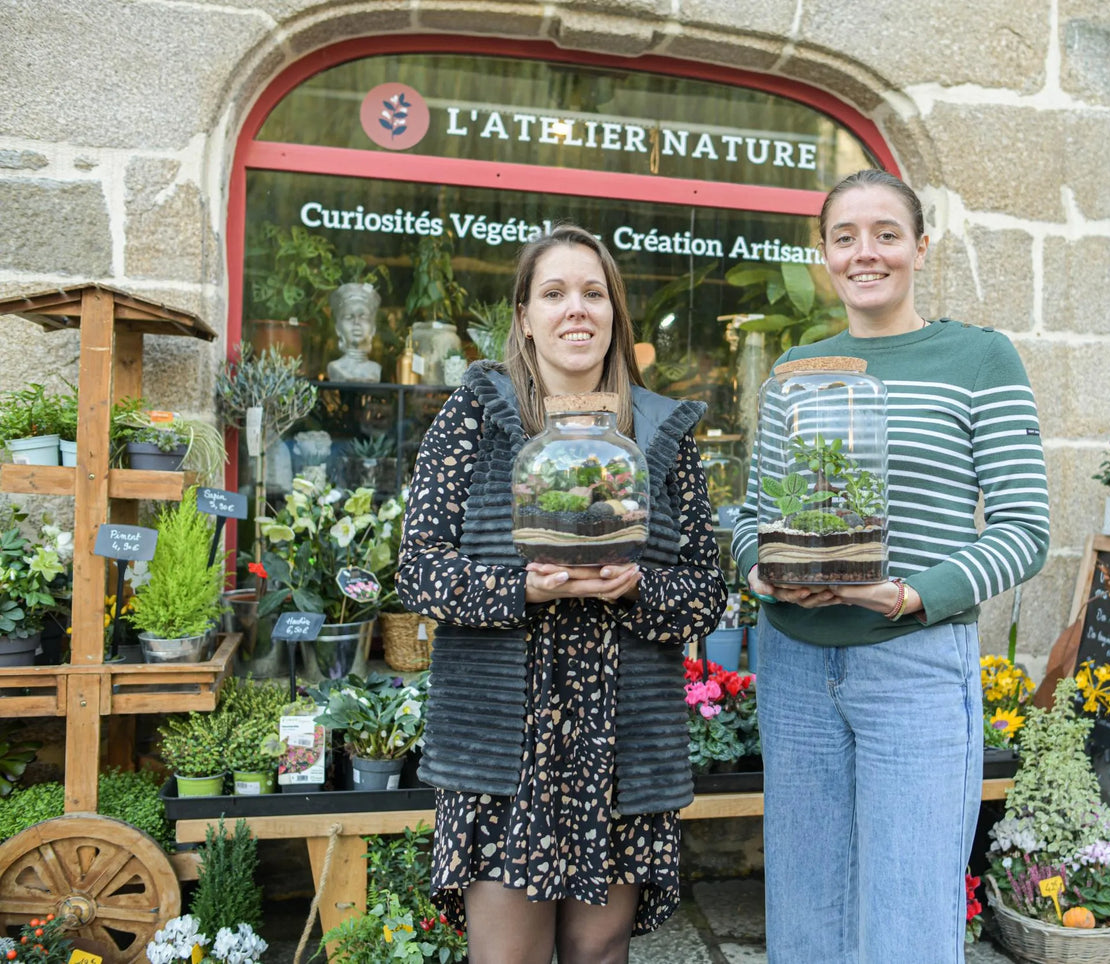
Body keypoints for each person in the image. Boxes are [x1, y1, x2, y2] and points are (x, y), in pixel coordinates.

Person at [731, 169, 1051, 963]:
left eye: (884, 234)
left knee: (908, 907)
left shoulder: (977, 358)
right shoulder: (796, 371)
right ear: (824, 254)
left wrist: (913, 595)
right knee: (805, 904)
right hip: (795, 663)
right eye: (844, 237)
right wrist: (760, 574)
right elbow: (749, 517)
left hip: (912, 664)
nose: (863, 253)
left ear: (919, 245)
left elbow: (1023, 529)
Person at [395, 225, 726, 964]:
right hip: (503, 745)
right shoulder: (477, 416)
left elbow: (706, 591)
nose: (575, 310)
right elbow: (418, 569)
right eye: (553, 293)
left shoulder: (662, 430)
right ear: (524, 316)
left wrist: (639, 587)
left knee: (598, 953)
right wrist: (521, 589)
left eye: (592, 292)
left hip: (621, 742)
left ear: (614, 313)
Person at [326, 281, 383, 382]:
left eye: (363, 316)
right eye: (349, 317)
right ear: (338, 329)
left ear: (373, 328)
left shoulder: (376, 369)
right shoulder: (335, 367)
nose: (356, 323)